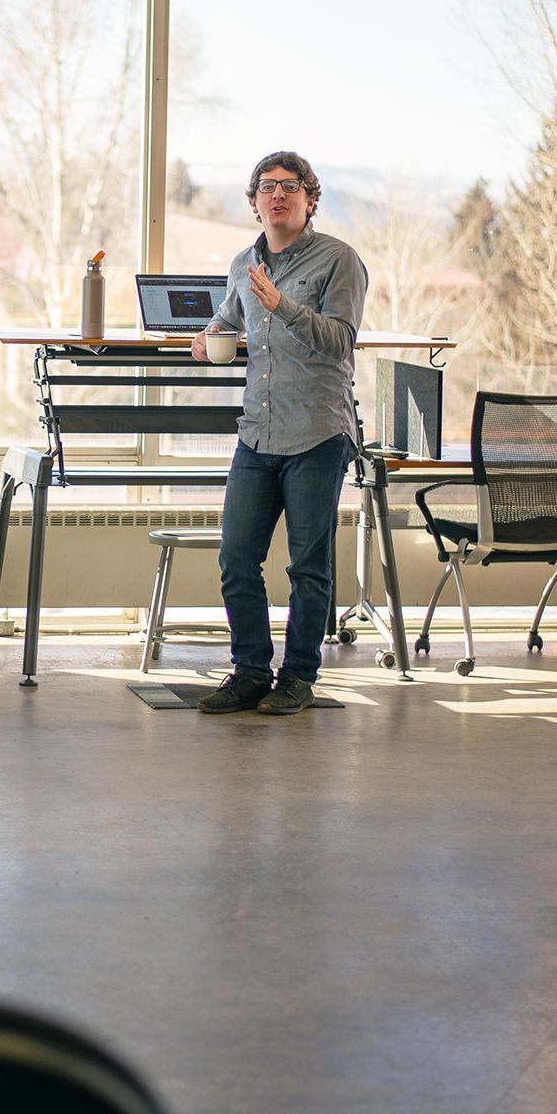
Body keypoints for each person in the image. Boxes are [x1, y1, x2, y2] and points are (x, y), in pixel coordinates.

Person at [189, 152, 369, 715]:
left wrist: (284, 306)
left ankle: (297, 678)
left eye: (291, 187)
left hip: (317, 434)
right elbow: (230, 316)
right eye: (268, 187)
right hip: (257, 434)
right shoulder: (245, 261)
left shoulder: (339, 261)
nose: (278, 195)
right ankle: (248, 672)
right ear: (253, 202)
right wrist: (209, 333)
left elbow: (341, 340)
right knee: (237, 556)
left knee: (307, 565)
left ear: (310, 201)